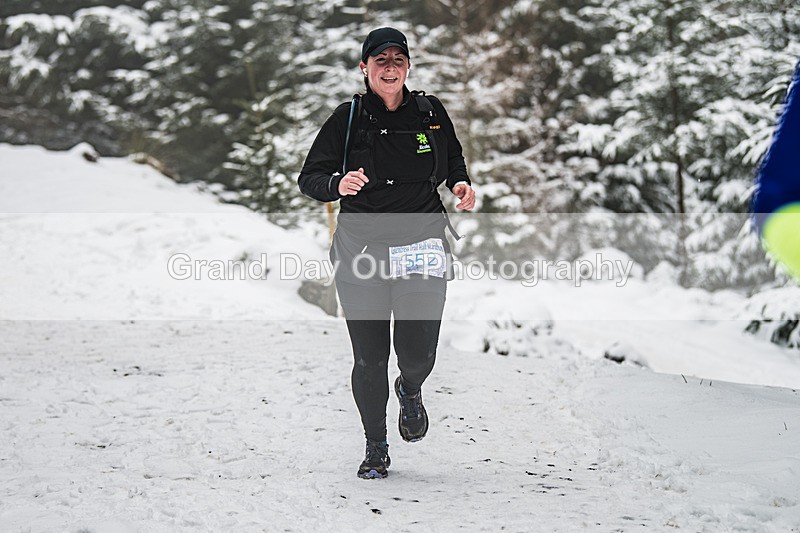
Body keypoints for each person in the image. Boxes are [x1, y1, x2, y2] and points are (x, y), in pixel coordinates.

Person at [298, 27, 475, 479]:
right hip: (363, 250)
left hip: (421, 244)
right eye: (381, 60)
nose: (390, 66)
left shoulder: (430, 111)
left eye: (399, 59)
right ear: (365, 68)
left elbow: (452, 157)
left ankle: (410, 388)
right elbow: (311, 178)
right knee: (369, 357)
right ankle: (375, 446)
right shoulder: (349, 117)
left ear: (409, 66)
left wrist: (459, 183)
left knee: (419, 353)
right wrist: (337, 184)